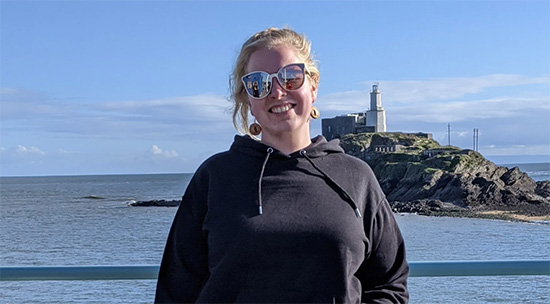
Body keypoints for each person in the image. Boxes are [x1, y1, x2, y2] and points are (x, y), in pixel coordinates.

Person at [155, 27, 409, 303]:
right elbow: (175, 292)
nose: (276, 92)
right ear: (248, 101)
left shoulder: (356, 177)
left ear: (313, 87)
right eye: (258, 83)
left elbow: (390, 284)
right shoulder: (215, 177)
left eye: (291, 77)